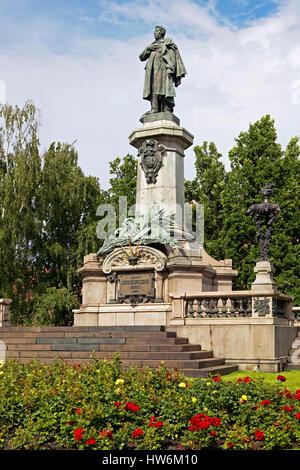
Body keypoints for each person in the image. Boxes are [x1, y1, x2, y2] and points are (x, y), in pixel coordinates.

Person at [139, 25, 187, 114]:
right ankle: (154, 108)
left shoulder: (168, 43)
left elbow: (172, 57)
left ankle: (166, 109)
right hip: (152, 71)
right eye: (154, 31)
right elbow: (141, 57)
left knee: (164, 88)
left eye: (157, 31)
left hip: (164, 69)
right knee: (153, 88)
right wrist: (147, 49)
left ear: (161, 32)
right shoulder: (152, 46)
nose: (154, 33)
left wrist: (170, 68)